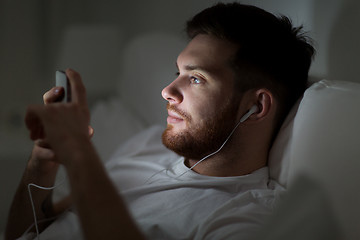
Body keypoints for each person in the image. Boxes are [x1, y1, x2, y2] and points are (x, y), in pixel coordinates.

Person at [5, 2, 315, 240]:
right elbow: (30, 232)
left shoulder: (243, 218)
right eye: (176, 73)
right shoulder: (146, 143)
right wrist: (42, 160)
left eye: (195, 78)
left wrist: (77, 152)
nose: (167, 91)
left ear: (257, 106)